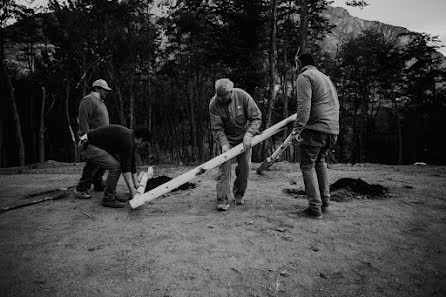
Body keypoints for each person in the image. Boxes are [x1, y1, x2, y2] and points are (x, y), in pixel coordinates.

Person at [291, 53, 340, 219]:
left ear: (299, 63)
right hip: (332, 129)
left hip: (315, 129)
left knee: (307, 166)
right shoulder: (325, 78)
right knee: (320, 161)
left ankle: (314, 208)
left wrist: (297, 130)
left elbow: (303, 107)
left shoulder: (304, 76)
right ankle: (325, 202)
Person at [209, 78, 262, 211]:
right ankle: (222, 199)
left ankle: (239, 194)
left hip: (245, 137)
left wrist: (249, 134)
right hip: (227, 138)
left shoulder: (242, 96)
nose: (221, 99)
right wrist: (224, 143)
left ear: (231, 92)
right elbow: (217, 128)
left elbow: (256, 117)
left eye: (224, 95)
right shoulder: (213, 104)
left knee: (244, 167)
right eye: (218, 96)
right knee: (224, 168)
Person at [77, 124, 151, 208]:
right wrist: (132, 190)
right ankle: (108, 198)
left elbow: (131, 162)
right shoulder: (127, 140)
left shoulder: (130, 137)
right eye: (144, 144)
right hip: (86, 145)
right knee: (116, 167)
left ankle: (111, 193)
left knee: (115, 164)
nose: (142, 147)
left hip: (92, 144)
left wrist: (136, 183)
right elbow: (125, 167)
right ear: (140, 140)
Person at [74, 79, 111, 199]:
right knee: (93, 163)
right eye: (104, 90)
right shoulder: (88, 100)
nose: (106, 92)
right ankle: (81, 188)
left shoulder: (100, 102)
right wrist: (86, 137)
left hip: (103, 139)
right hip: (93, 138)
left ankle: (98, 183)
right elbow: (83, 121)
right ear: (96, 88)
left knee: (103, 162)